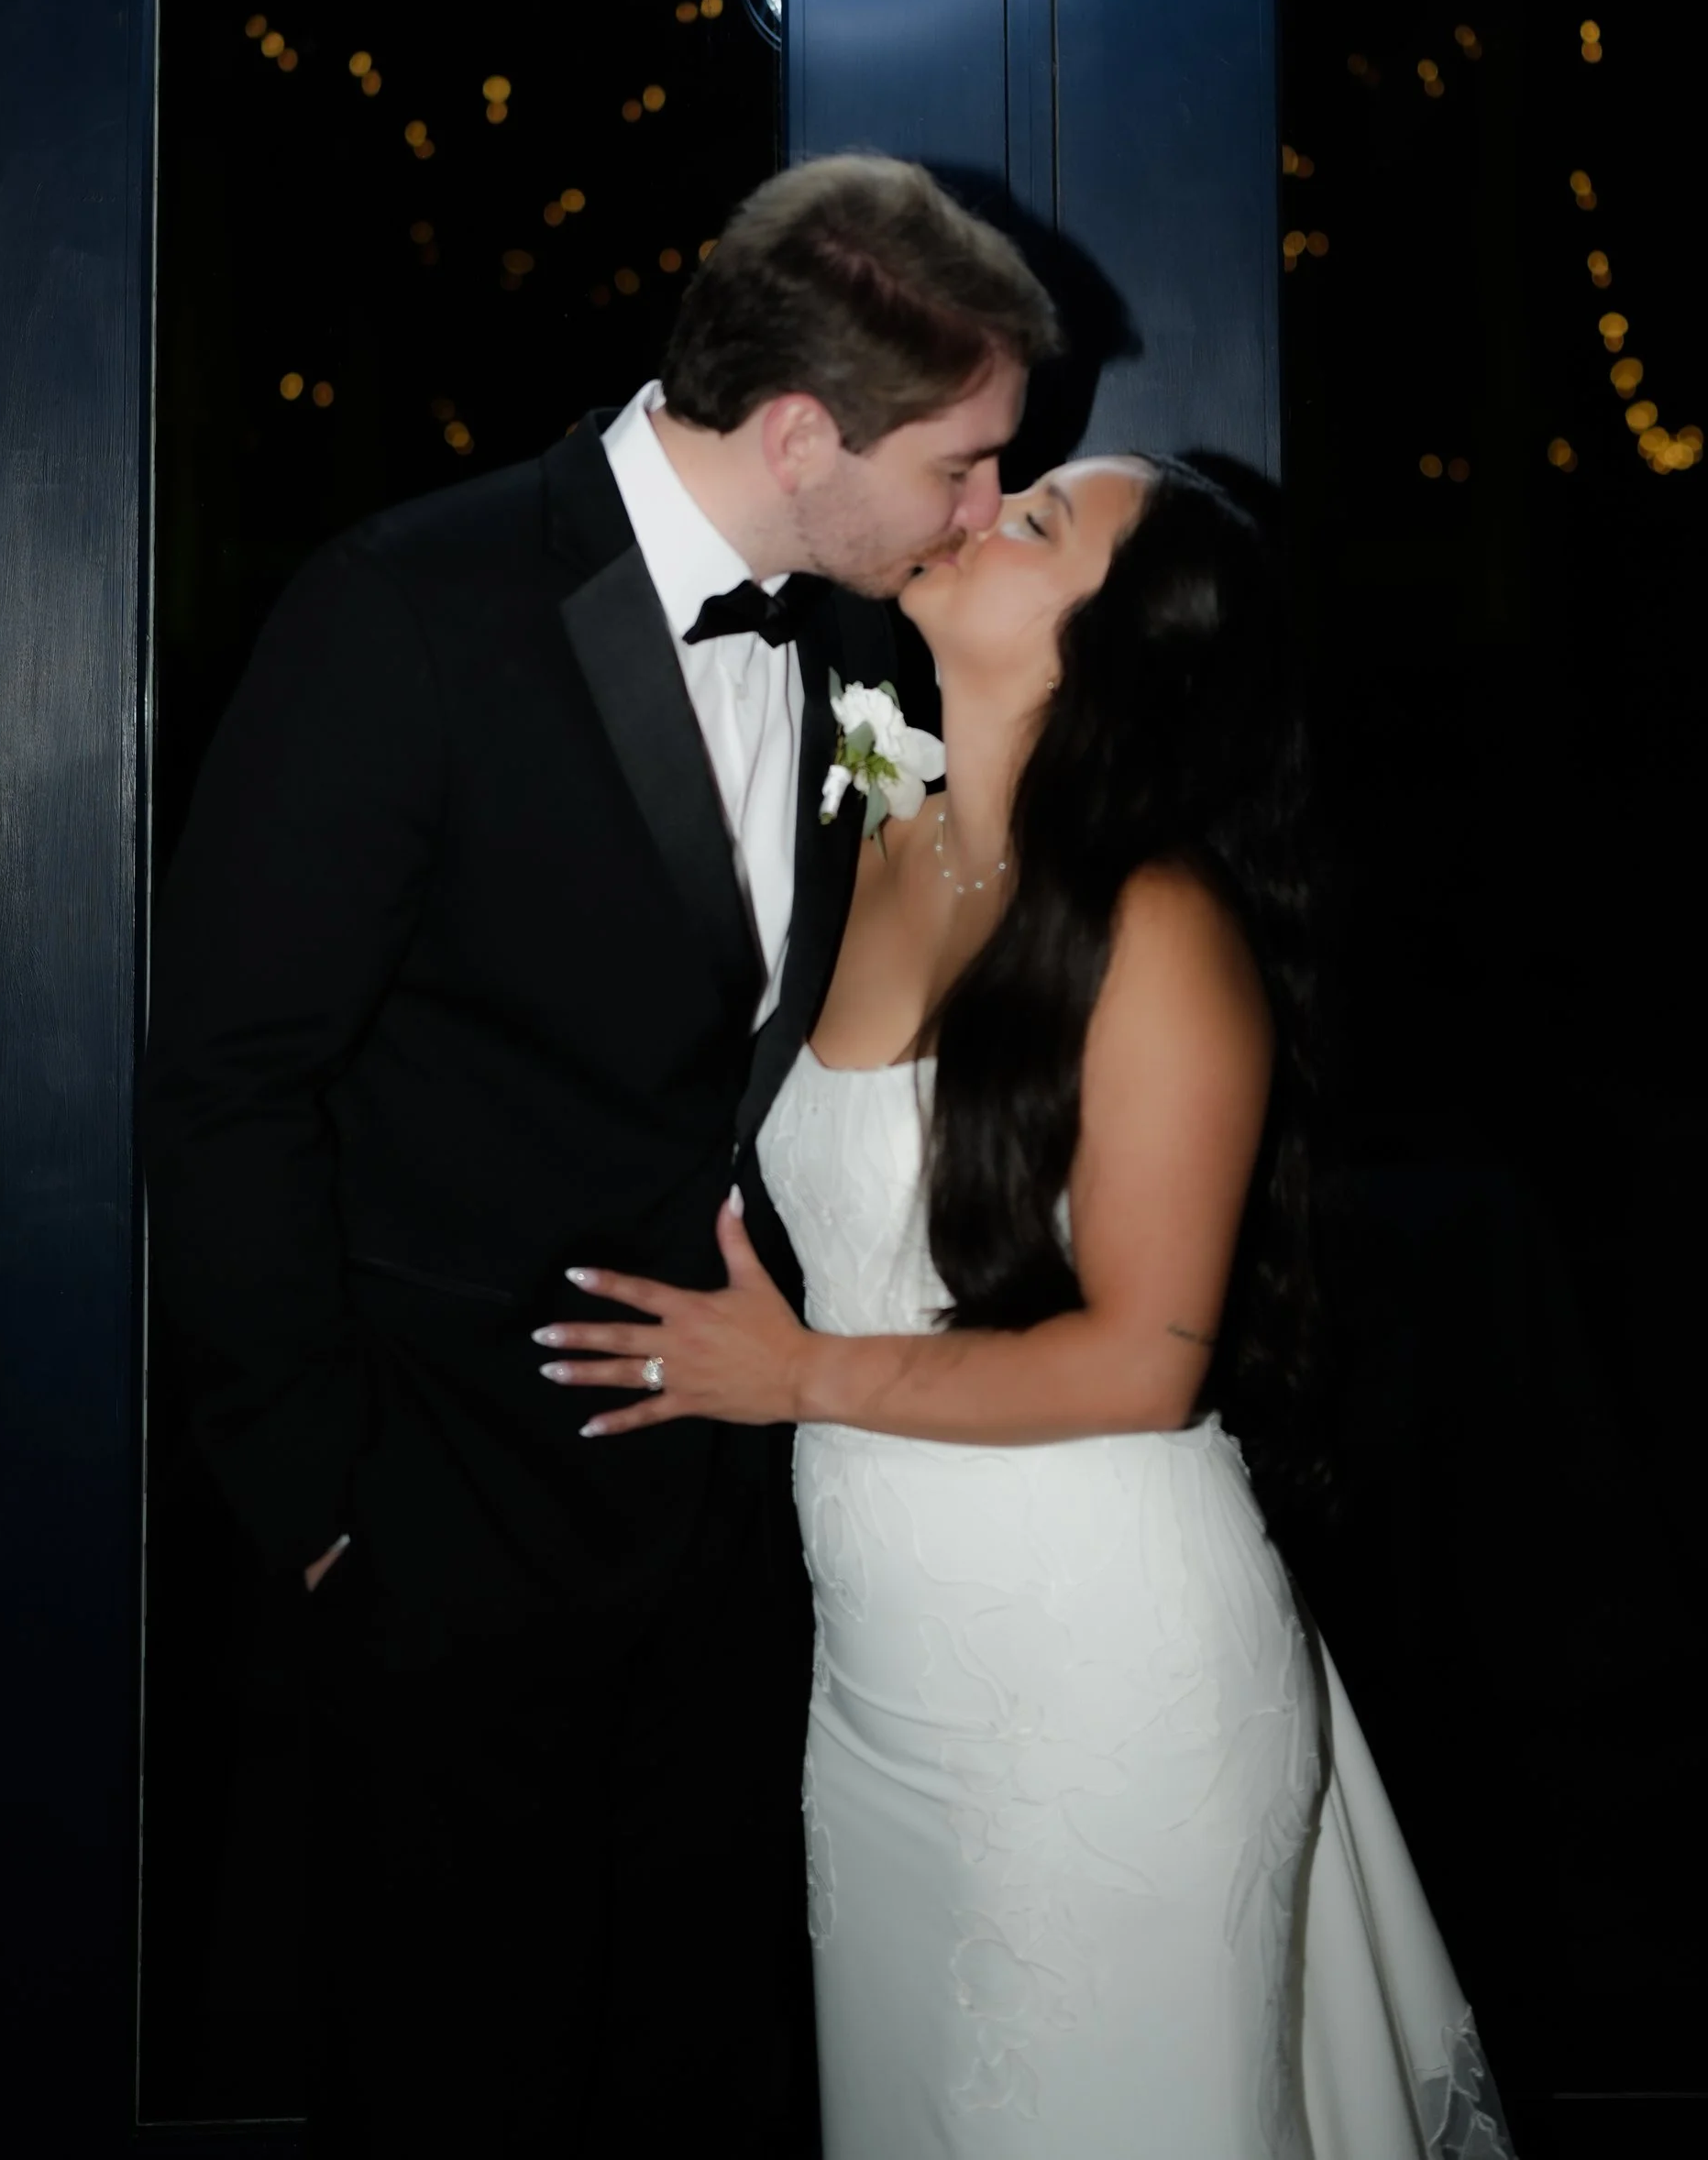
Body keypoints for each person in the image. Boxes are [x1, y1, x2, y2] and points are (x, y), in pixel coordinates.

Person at [143, 152, 1060, 2159]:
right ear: (802, 431)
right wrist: (318, 1500)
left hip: (731, 1551)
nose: (984, 512)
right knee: (440, 2078)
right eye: (965, 465)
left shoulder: (859, 647)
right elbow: (227, 1077)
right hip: (437, 1528)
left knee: (691, 2078)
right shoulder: (407, 607)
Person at [538, 455, 1516, 2158]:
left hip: (1107, 1697)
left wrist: (794, 1372)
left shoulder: (1157, 922)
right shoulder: (873, 815)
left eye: (1038, 521)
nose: (982, 504)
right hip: (881, 1694)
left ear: (1113, 651)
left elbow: (1148, 1359)